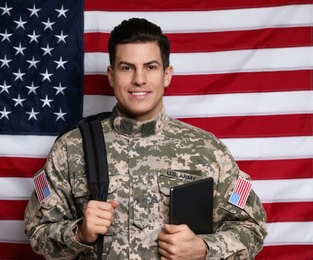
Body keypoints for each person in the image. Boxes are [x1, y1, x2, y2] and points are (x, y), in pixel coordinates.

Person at [24, 18, 268, 259]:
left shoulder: (208, 150)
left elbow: (253, 229)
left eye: (150, 67)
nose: (139, 79)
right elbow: (37, 232)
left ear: (167, 74)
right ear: (111, 75)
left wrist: (205, 249)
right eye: (126, 67)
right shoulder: (71, 148)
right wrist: (79, 232)